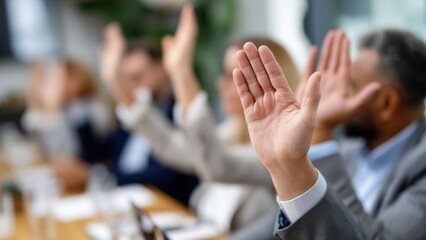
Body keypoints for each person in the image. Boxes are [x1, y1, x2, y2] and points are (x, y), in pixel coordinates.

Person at [101, 5, 301, 231]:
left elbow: (218, 164)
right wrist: (115, 81)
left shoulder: (282, 146)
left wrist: (181, 72)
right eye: (224, 74)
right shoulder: (230, 131)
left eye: (233, 75)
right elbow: (172, 146)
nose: (221, 83)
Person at [232, 29, 426, 240]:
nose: (333, 94)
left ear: (387, 104)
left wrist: (321, 133)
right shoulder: (353, 149)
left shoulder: (419, 167)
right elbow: (297, 216)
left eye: (350, 85)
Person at [100, 21, 199, 206]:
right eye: (126, 79)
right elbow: (103, 154)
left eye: (137, 77)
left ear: (161, 68)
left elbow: (166, 175)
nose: (131, 87)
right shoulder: (125, 117)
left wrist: (107, 177)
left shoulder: (180, 112)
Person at [23, 59, 113, 191]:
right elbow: (45, 147)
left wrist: (51, 110)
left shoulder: (95, 109)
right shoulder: (64, 110)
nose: (63, 83)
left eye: (68, 76)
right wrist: (38, 98)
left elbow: (68, 153)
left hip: (93, 176)